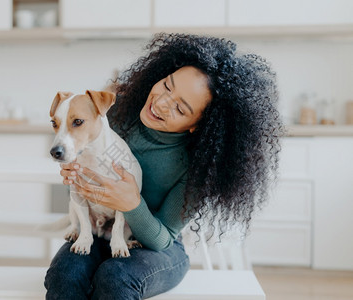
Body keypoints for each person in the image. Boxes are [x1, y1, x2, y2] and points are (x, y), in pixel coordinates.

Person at [44, 33, 284, 299]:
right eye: (167, 86)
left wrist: (132, 204)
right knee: (64, 276)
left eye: (180, 109)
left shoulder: (198, 167)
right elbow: (85, 184)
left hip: (161, 249)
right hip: (103, 229)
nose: (160, 103)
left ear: (198, 125)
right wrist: (74, 173)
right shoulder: (116, 113)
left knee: (115, 277)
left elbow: (162, 239)